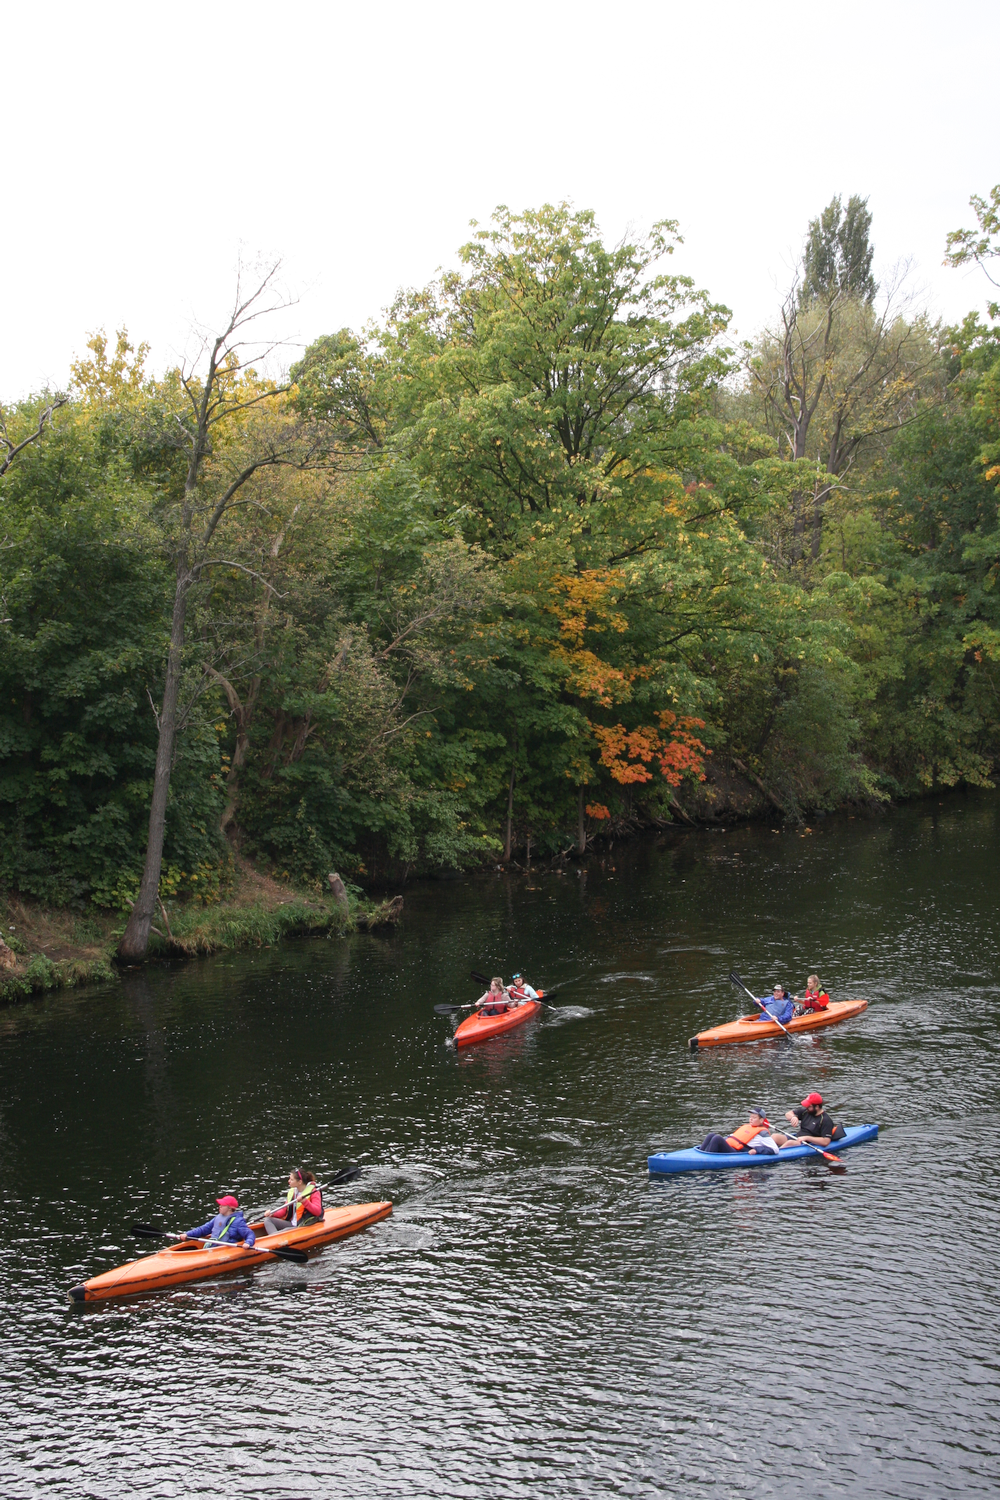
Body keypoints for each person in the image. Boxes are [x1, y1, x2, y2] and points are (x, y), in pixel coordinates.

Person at [771, 1092, 845, 1148]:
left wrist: (807, 1138)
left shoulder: (825, 1120)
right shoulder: (806, 1112)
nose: (807, 1107)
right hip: (797, 1138)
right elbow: (788, 1114)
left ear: (817, 1107)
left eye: (809, 1106)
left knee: (789, 1143)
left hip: (806, 1143)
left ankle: (776, 1153)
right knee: (774, 1136)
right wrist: (793, 1117)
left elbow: (826, 1141)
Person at [263, 1168, 324, 1236]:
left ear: (299, 1182)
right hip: (292, 1224)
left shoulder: (314, 1191)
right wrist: (272, 1213)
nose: (289, 1181)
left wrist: (304, 1201)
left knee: (285, 1231)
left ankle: (274, 1238)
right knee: (268, 1220)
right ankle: (274, 1238)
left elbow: (318, 1211)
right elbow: (284, 1211)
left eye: (291, 1180)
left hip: (303, 1225)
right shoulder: (293, 1191)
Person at [185, 1194, 256, 1249]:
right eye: (220, 1205)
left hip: (226, 1249)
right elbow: (203, 1229)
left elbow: (250, 1234)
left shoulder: (238, 1222)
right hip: (213, 1246)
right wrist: (188, 1234)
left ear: (229, 1208)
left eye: (222, 1205)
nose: (220, 1206)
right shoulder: (217, 1218)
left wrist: (248, 1243)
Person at [699, 1107, 771, 1154]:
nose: (751, 1119)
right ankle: (700, 1153)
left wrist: (756, 1150)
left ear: (761, 1120)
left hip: (737, 1151)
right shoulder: (747, 1126)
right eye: (750, 1117)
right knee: (711, 1135)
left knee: (717, 1138)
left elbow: (774, 1149)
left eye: (754, 1117)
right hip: (730, 1146)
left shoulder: (763, 1133)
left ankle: (705, 1159)